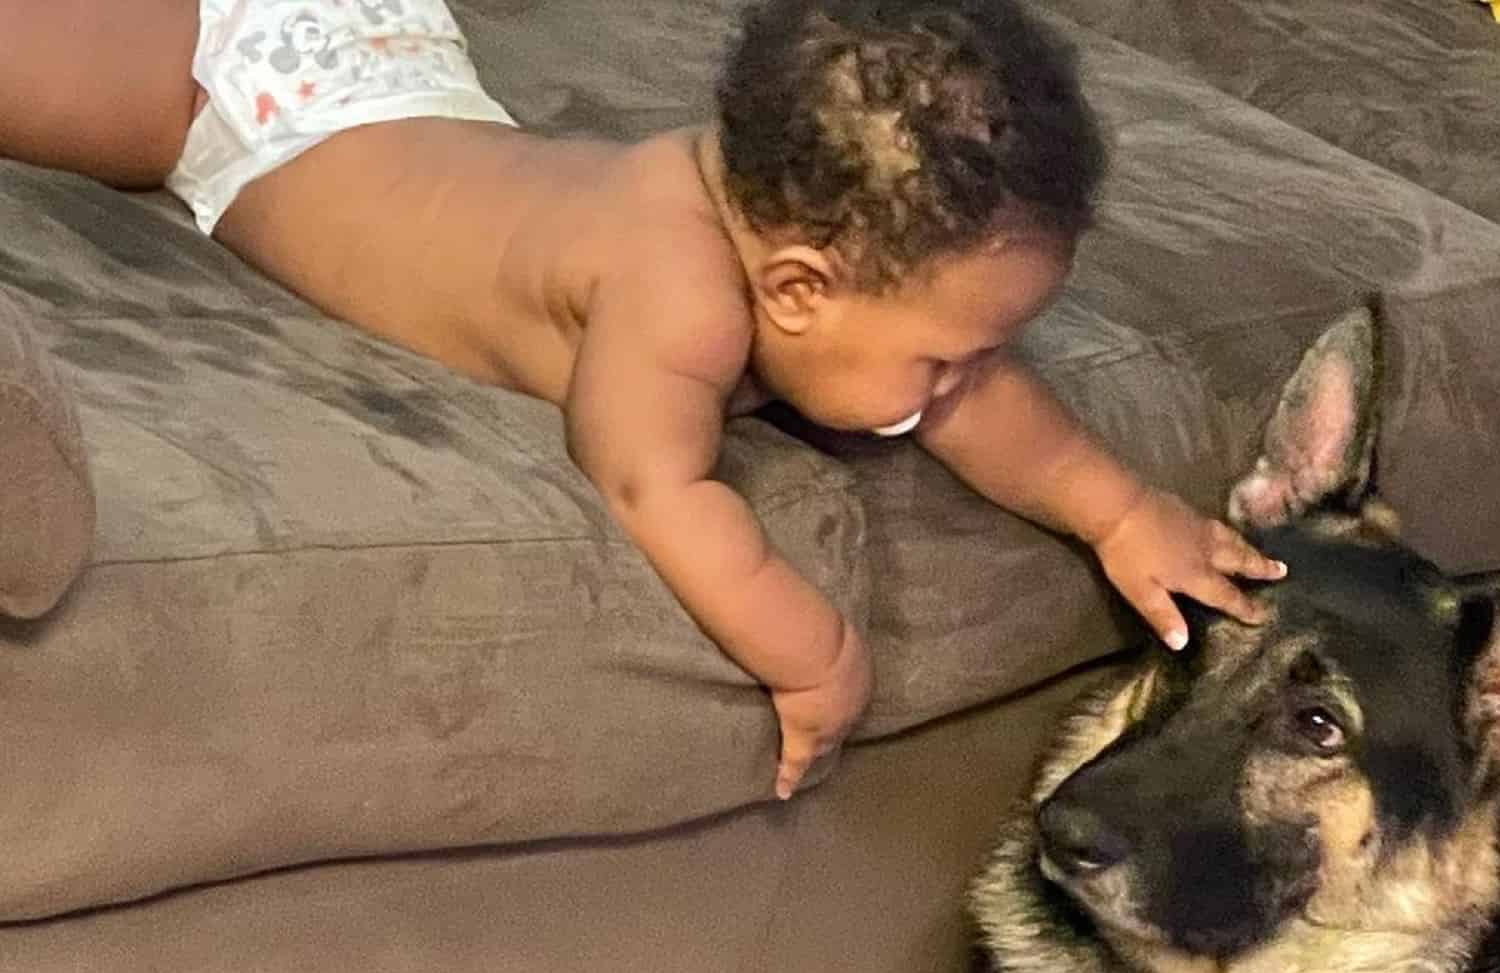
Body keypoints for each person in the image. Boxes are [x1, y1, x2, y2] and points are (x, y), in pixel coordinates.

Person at [0, 0, 1285, 798]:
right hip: (254, 107)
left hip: (390, 59)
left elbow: (976, 406)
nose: (960, 385)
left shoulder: (805, 269)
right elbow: (651, 482)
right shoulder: (671, 291)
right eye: (944, 356)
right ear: (795, 287)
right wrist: (814, 653)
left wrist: (1116, 513)